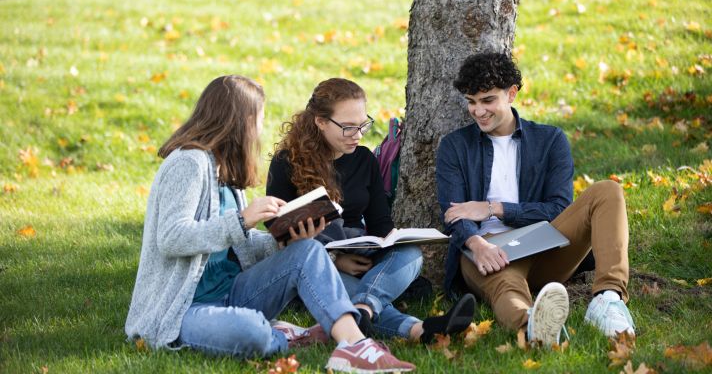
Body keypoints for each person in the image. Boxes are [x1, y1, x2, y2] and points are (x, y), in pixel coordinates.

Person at [124, 75, 415, 373]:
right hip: (183, 308)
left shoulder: (222, 169)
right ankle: (291, 335)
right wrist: (242, 220)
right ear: (240, 120)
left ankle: (354, 345)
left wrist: (286, 241)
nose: (259, 128)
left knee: (307, 250)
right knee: (252, 333)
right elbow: (171, 238)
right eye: (258, 119)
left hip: (234, 291)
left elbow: (237, 245)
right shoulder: (188, 162)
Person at [436, 53, 635, 346]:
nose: (478, 111)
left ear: (512, 93)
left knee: (607, 191)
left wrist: (494, 208)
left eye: (487, 100)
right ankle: (532, 326)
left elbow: (557, 208)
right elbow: (455, 214)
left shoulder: (550, 140)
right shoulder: (455, 146)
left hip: (545, 245)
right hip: (488, 251)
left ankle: (608, 299)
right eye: (471, 101)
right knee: (506, 287)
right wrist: (477, 245)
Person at [267, 77, 476, 344]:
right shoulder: (287, 163)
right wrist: (335, 261)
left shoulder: (364, 159)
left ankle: (365, 309)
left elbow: (380, 223)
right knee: (353, 291)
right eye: (348, 127)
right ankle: (420, 329)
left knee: (410, 255)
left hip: (361, 251)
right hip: (314, 264)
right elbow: (279, 236)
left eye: (363, 124)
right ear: (320, 121)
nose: (358, 134)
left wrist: (389, 243)